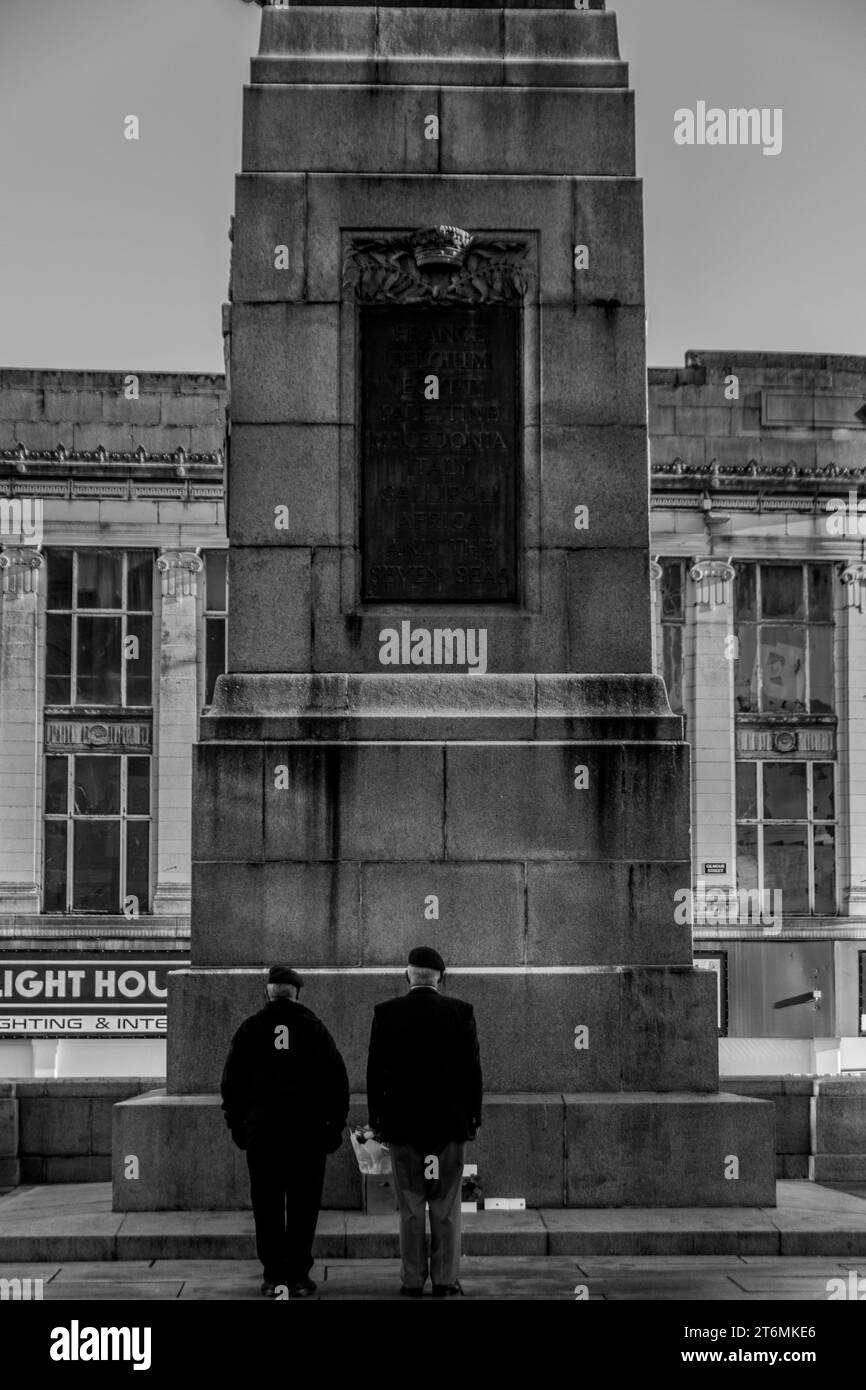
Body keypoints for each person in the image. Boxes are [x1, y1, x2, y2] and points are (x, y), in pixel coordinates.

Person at [220, 964, 349, 1298]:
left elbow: (231, 1084)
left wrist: (238, 1127)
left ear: (267, 992)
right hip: (307, 1136)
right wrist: (333, 1129)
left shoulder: (250, 1029)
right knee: (304, 1207)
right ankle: (300, 1276)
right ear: (297, 993)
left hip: (263, 1136)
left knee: (267, 1206)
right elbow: (337, 1083)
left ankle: (273, 1276)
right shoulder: (315, 1029)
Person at [366, 946, 483, 1298]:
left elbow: (375, 1074)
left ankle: (412, 1280)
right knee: (445, 1205)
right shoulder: (461, 1012)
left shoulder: (386, 1013)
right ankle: (445, 1281)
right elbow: (472, 1073)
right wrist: (472, 1118)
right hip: (448, 1128)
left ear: (408, 975)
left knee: (411, 1206)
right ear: (440, 978)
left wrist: (377, 1120)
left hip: (403, 1128)